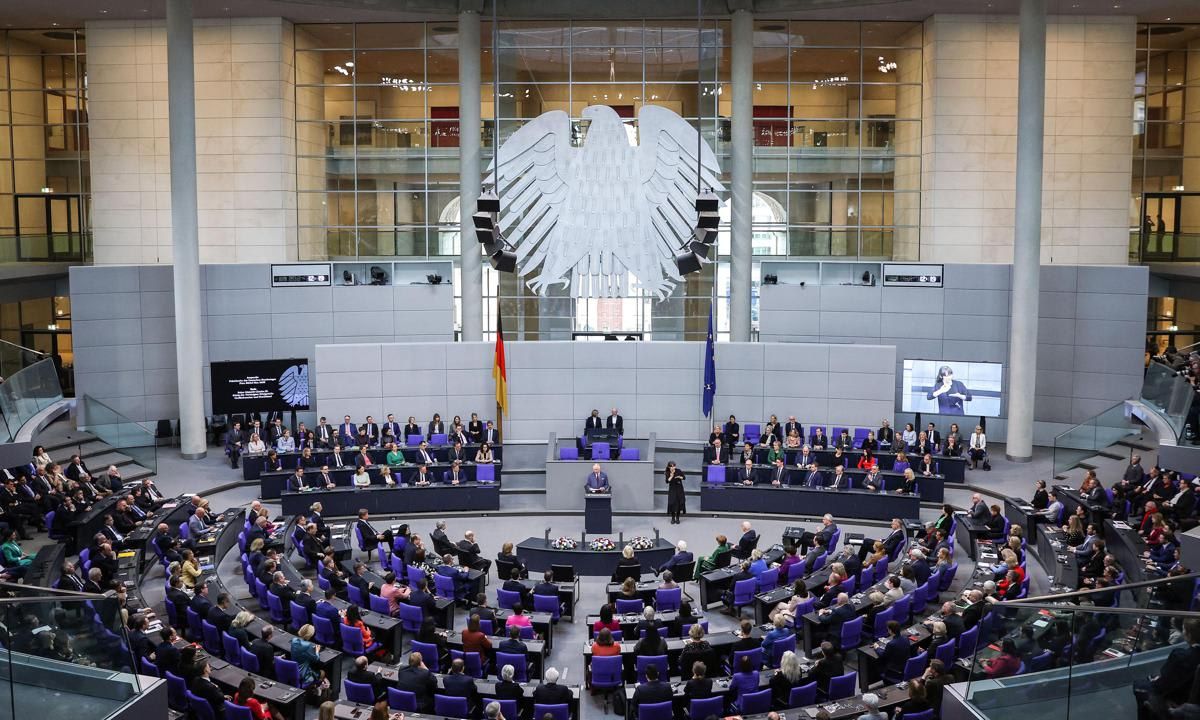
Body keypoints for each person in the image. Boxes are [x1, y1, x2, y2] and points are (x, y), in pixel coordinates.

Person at [291, 624, 325, 689]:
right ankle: (315, 691)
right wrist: (317, 651)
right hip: (303, 674)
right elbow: (316, 659)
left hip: (294, 669)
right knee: (322, 673)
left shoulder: (294, 640)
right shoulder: (308, 645)